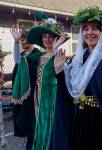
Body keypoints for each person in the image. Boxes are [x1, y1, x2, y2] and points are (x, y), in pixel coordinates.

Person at [51, 6, 102, 150]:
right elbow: (70, 90)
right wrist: (59, 71)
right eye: (86, 29)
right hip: (79, 118)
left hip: (100, 120)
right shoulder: (79, 58)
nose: (89, 32)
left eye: (94, 28)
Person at [12, 17, 68, 150]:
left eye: (50, 36)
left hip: (53, 103)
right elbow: (19, 61)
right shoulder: (38, 56)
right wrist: (16, 42)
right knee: (37, 134)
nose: (47, 39)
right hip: (37, 102)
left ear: (56, 38)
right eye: (44, 36)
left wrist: (55, 49)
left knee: (51, 135)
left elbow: (63, 77)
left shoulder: (60, 55)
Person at [10, 25, 40, 150]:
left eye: (25, 38)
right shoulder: (22, 56)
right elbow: (17, 60)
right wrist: (15, 41)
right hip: (23, 101)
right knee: (28, 131)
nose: (23, 40)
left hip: (35, 101)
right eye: (21, 38)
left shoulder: (37, 55)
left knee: (34, 132)